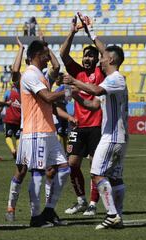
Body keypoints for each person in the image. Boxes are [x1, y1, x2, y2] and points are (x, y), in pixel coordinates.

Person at [63, 42, 127, 230]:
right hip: (116, 136)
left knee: (96, 173)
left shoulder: (115, 78)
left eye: (103, 56)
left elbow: (96, 90)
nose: (101, 58)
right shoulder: (109, 80)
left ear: (112, 59)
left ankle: (112, 214)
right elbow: (93, 105)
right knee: (114, 178)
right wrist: (75, 95)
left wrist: (74, 82)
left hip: (111, 135)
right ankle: (118, 216)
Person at [18, 39, 73, 228]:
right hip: (35, 132)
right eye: (45, 56)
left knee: (64, 168)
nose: (48, 59)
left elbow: (57, 66)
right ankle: (35, 217)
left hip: (48, 130)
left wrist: (49, 49)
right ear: (35, 56)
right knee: (38, 174)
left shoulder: (40, 74)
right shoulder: (29, 75)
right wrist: (66, 91)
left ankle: (49, 210)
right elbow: (47, 97)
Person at [60, 14, 106, 216]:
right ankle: (80, 200)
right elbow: (63, 54)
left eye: (91, 56)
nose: (87, 59)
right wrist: (72, 32)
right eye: (85, 56)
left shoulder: (101, 72)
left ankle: (94, 203)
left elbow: (106, 55)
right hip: (78, 126)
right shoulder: (76, 71)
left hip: (97, 125)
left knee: (95, 166)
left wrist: (90, 32)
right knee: (72, 164)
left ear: (96, 59)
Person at [0, 80, 21, 160]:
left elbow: (2, 104)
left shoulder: (8, 93)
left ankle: (13, 150)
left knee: (8, 136)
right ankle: (18, 151)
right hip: (19, 119)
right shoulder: (22, 94)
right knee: (18, 137)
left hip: (9, 118)